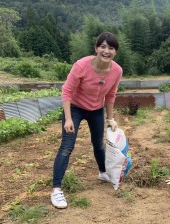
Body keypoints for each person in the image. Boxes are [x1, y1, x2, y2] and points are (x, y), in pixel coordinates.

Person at [50, 32, 123, 209]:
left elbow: (111, 95)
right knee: (67, 146)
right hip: (75, 108)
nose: (106, 51)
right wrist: (68, 119)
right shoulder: (81, 66)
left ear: (115, 52)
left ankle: (103, 172)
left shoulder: (117, 70)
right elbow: (66, 91)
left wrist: (110, 118)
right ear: (96, 48)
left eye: (111, 48)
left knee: (98, 144)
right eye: (103, 46)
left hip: (96, 109)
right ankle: (56, 189)